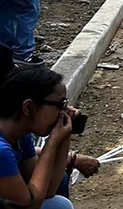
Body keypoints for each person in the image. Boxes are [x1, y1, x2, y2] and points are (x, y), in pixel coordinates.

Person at [0, 44, 76, 208]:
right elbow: (30, 204)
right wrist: (52, 142)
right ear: (28, 107)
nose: (64, 111)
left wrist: (63, 138)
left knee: (58, 204)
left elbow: (47, 191)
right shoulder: (1, 151)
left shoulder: (20, 135)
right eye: (59, 104)